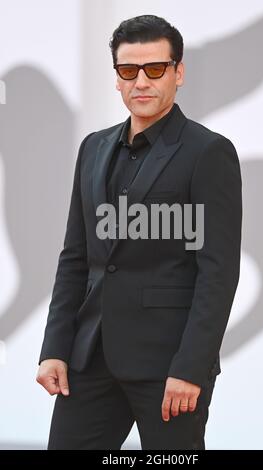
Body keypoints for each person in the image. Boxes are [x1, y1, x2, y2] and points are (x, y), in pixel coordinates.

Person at [36, 14, 242, 450]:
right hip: (90, 359)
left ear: (178, 72)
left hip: (169, 367)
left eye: (155, 69)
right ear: (117, 77)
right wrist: (55, 346)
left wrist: (190, 367)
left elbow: (217, 273)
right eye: (129, 71)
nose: (141, 82)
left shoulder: (209, 153)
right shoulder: (93, 147)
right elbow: (76, 256)